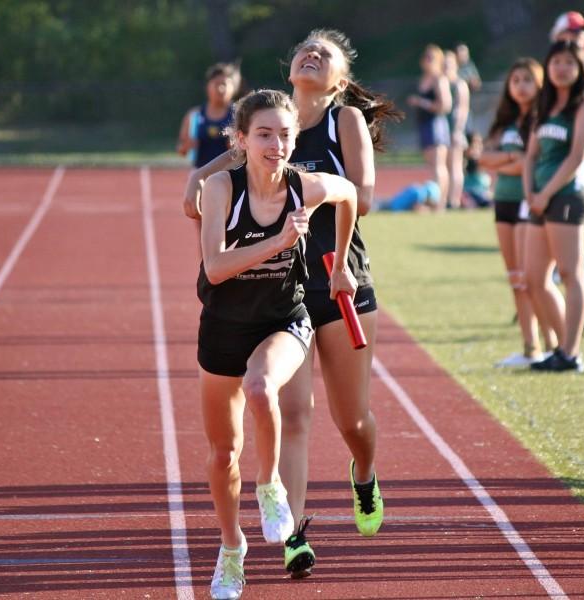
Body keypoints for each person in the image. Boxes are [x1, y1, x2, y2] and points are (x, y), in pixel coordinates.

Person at [184, 28, 399, 578]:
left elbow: (365, 196)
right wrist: (212, 174)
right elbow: (199, 195)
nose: (310, 53)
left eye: (323, 53)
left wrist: (303, 184)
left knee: (351, 418)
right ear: (287, 71)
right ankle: (296, 534)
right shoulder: (268, 125)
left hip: (341, 276)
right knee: (293, 413)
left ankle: (365, 471)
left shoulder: (342, 121)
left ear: (340, 77)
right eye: (304, 48)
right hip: (287, 290)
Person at [196, 89, 357, 599]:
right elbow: (216, 268)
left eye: (285, 134)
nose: (277, 144)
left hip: (283, 319)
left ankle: (270, 489)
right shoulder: (220, 187)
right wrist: (279, 242)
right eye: (264, 134)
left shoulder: (303, 187)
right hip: (223, 326)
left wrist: (343, 266)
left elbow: (349, 193)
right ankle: (231, 548)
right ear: (241, 140)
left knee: (263, 388)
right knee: (224, 454)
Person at [525, 40, 584, 373]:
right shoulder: (544, 105)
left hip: (570, 194)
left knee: (570, 274)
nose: (561, 68)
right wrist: (531, 192)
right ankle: (560, 345)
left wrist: (546, 193)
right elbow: (530, 155)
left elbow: (577, 156)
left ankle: (571, 352)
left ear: (580, 67)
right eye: (555, 61)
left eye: (569, 62)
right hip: (540, 198)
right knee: (534, 278)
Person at [479, 57, 551, 366]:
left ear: (539, 84)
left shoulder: (541, 120)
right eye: (515, 80)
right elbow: (483, 159)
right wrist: (511, 157)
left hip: (527, 202)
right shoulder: (503, 122)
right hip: (503, 203)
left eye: (527, 80)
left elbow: (528, 164)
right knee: (515, 279)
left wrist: (506, 162)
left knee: (531, 278)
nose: (520, 86)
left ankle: (552, 343)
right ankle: (529, 346)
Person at [408, 44, 452, 210]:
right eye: (425, 57)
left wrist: (422, 102)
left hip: (436, 125)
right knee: (431, 165)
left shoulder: (439, 79)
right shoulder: (423, 79)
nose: (427, 61)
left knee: (438, 165)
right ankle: (434, 200)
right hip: (424, 124)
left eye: (431, 57)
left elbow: (445, 105)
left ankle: (441, 202)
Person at [177, 63, 240, 169]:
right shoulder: (194, 115)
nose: (221, 89)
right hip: (201, 175)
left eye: (224, 84)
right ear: (208, 86)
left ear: (233, 88)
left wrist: (237, 148)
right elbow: (181, 150)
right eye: (216, 84)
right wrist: (187, 146)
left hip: (230, 175)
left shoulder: (239, 115)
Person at [444, 50, 471, 208]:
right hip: (443, 130)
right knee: (445, 165)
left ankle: (454, 199)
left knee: (455, 165)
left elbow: (462, 110)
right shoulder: (442, 83)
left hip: (454, 129)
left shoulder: (459, 84)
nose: (446, 67)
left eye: (449, 64)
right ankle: (446, 197)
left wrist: (457, 130)